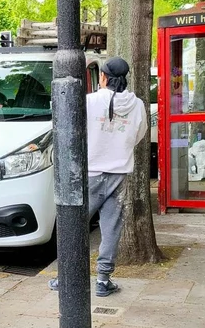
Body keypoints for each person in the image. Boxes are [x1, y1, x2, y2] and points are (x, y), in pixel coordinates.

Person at [50, 57, 148, 297]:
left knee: (73, 225)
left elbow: (71, 130)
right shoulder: (138, 105)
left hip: (90, 174)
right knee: (111, 228)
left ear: (103, 77)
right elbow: (139, 134)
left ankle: (65, 277)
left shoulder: (88, 101)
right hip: (119, 174)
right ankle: (103, 279)